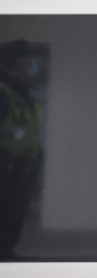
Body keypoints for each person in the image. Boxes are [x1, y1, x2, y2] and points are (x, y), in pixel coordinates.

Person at [0, 40, 44, 260]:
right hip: (5, 162)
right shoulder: (4, 92)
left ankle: (6, 251)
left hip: (23, 163)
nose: (32, 62)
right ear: (14, 61)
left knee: (14, 212)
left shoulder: (25, 92)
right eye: (27, 57)